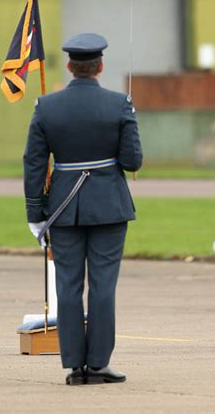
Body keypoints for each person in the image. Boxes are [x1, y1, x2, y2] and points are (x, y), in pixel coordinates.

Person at [23, 32, 142, 385]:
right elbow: (133, 159)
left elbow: (34, 162)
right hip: (108, 205)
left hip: (63, 207)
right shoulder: (120, 103)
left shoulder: (47, 106)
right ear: (100, 66)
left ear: (72, 67)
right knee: (103, 286)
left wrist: (35, 211)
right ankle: (100, 363)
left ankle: (75, 366)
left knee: (69, 287)